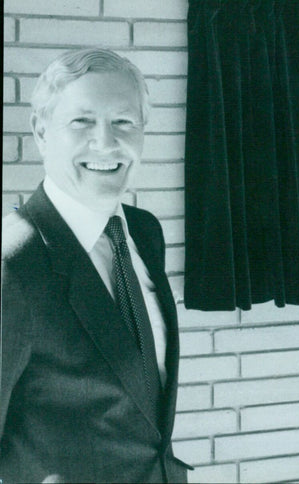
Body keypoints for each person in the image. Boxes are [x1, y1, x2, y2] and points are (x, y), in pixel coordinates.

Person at [1, 48, 191, 482]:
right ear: (41, 132)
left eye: (123, 122)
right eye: (82, 122)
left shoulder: (143, 231)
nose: (106, 142)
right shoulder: (12, 265)